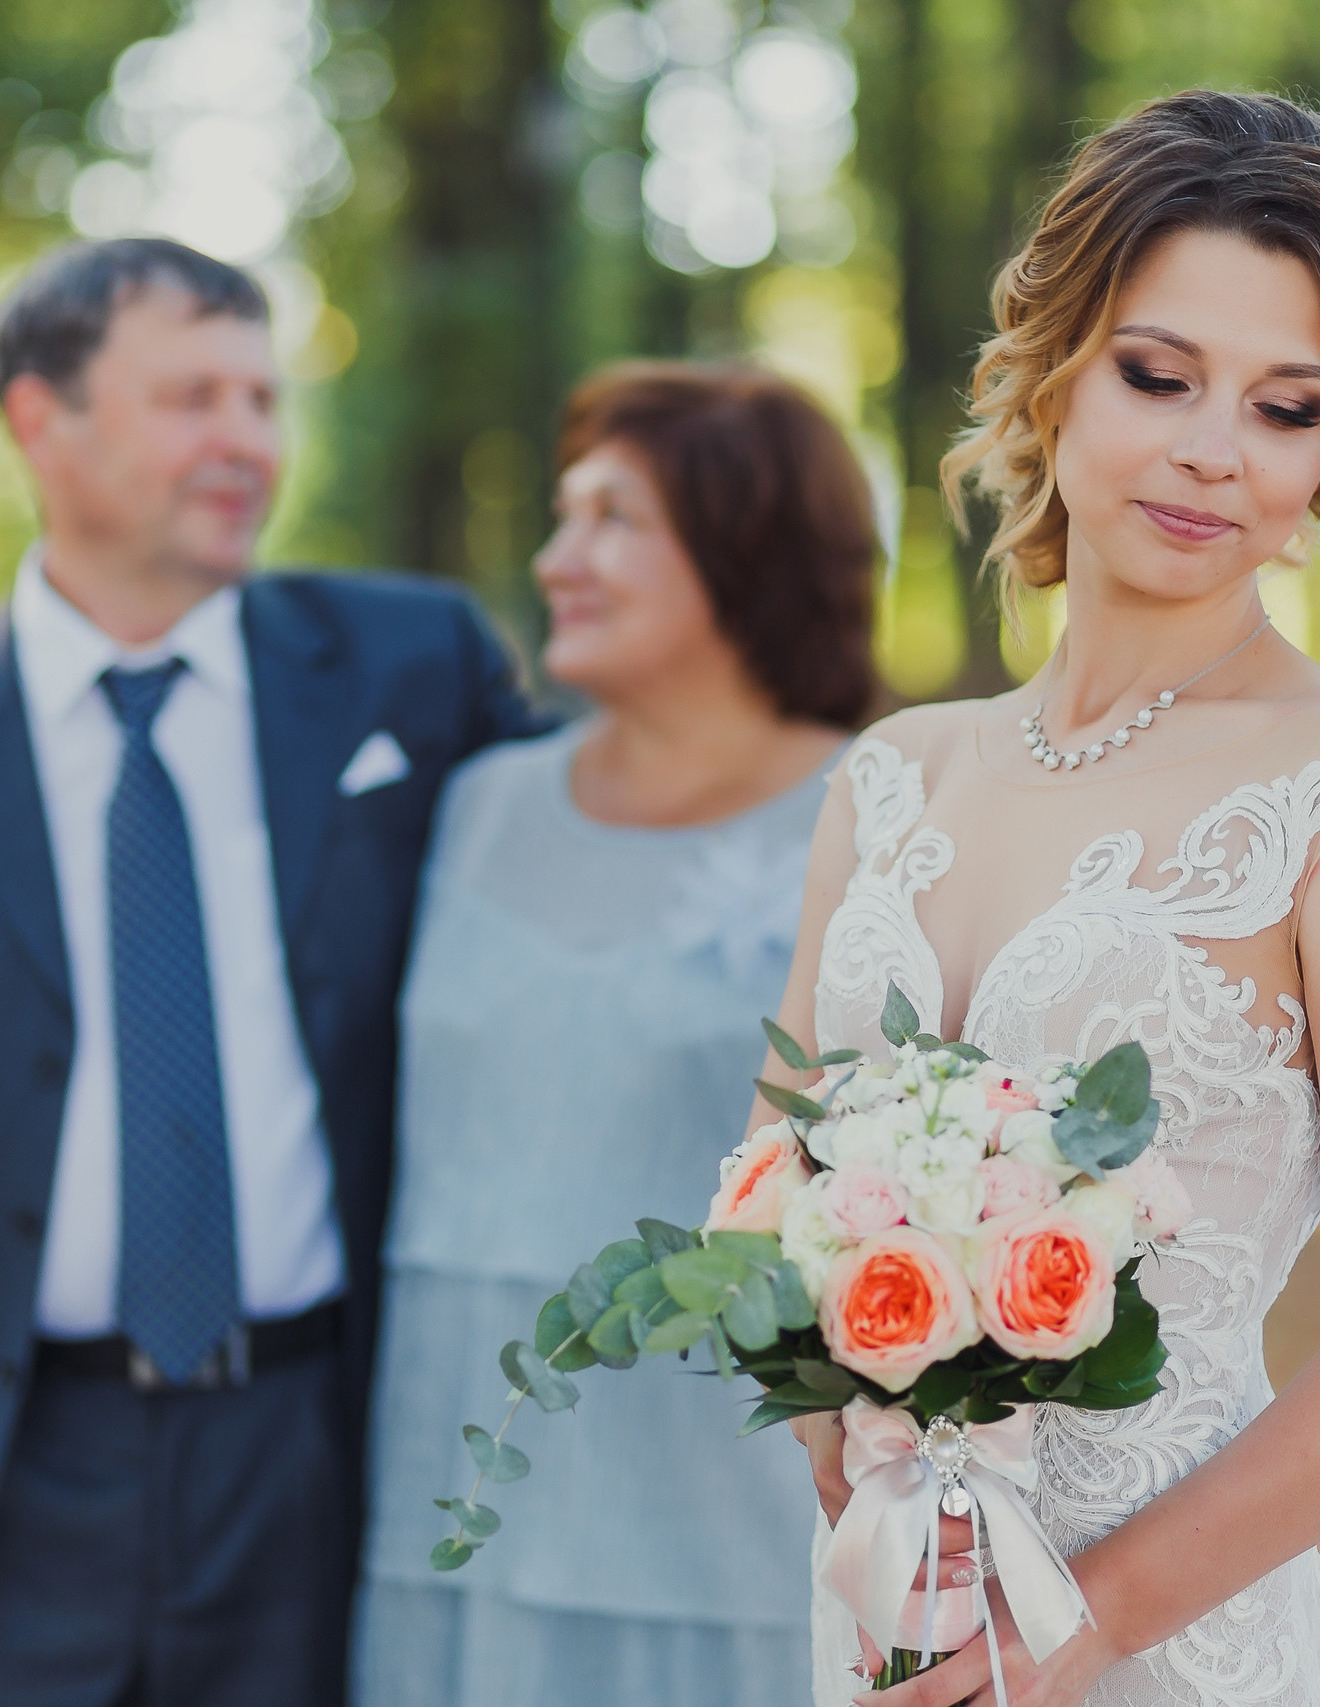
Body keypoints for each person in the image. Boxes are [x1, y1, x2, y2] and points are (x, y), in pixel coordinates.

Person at [758, 92, 1320, 1705]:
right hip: (897, 1619)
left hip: (1170, 1646)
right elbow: (781, 1197)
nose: (1210, 450)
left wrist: (1085, 1622)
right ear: (1053, 366)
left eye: (1285, 409)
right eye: (1158, 374)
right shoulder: (894, 779)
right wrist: (858, 1465)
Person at [0, 237, 540, 1707]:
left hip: (319, 1464)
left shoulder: (412, 671)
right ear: (42, 419)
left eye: (262, 399)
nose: (247, 441)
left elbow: (622, 848)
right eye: (191, 399)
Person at [352, 363, 879, 1706]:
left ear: (744, 546)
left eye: (610, 519)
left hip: (730, 1531)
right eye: (560, 515)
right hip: (453, 1501)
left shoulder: (880, 817)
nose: (554, 558)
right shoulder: (473, 809)